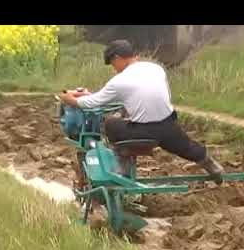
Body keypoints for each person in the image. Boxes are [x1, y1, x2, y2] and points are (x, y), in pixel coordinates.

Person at [59, 39, 224, 184]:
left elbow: (93, 103)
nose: (114, 68)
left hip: (144, 132)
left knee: (110, 123)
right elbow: (138, 94)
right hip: (168, 126)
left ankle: (122, 164)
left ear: (117, 58)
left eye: (112, 64)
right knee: (187, 147)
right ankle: (212, 165)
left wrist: (70, 99)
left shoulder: (119, 81)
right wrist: (90, 94)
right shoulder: (156, 69)